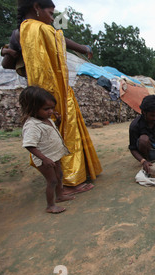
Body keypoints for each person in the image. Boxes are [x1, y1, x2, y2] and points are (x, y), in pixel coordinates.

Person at [18, 0, 102, 196]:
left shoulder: (27, 30)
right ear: (36, 7)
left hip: (49, 96)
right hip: (53, 96)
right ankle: (68, 183)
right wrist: (52, 103)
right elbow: (46, 69)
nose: (52, 18)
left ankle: (65, 182)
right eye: (50, 12)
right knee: (60, 140)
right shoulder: (37, 30)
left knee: (57, 141)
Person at [20, 86, 74, 214]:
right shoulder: (32, 125)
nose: (50, 111)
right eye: (46, 109)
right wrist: (44, 158)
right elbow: (29, 145)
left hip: (54, 155)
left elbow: (50, 133)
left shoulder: (46, 119)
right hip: (45, 159)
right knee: (52, 180)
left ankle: (60, 196)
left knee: (59, 175)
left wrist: (59, 122)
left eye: (51, 108)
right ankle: (50, 205)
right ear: (32, 108)